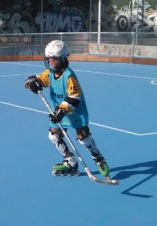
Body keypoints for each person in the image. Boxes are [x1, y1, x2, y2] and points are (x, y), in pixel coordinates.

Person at [24, 40, 111, 178]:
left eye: (55, 59)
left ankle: (98, 158)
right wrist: (32, 83)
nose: (52, 61)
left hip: (75, 113)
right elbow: (38, 80)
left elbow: (74, 97)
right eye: (49, 58)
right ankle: (70, 160)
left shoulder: (68, 76)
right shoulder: (49, 73)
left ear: (63, 58)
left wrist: (62, 111)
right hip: (58, 113)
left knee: (84, 139)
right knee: (54, 136)